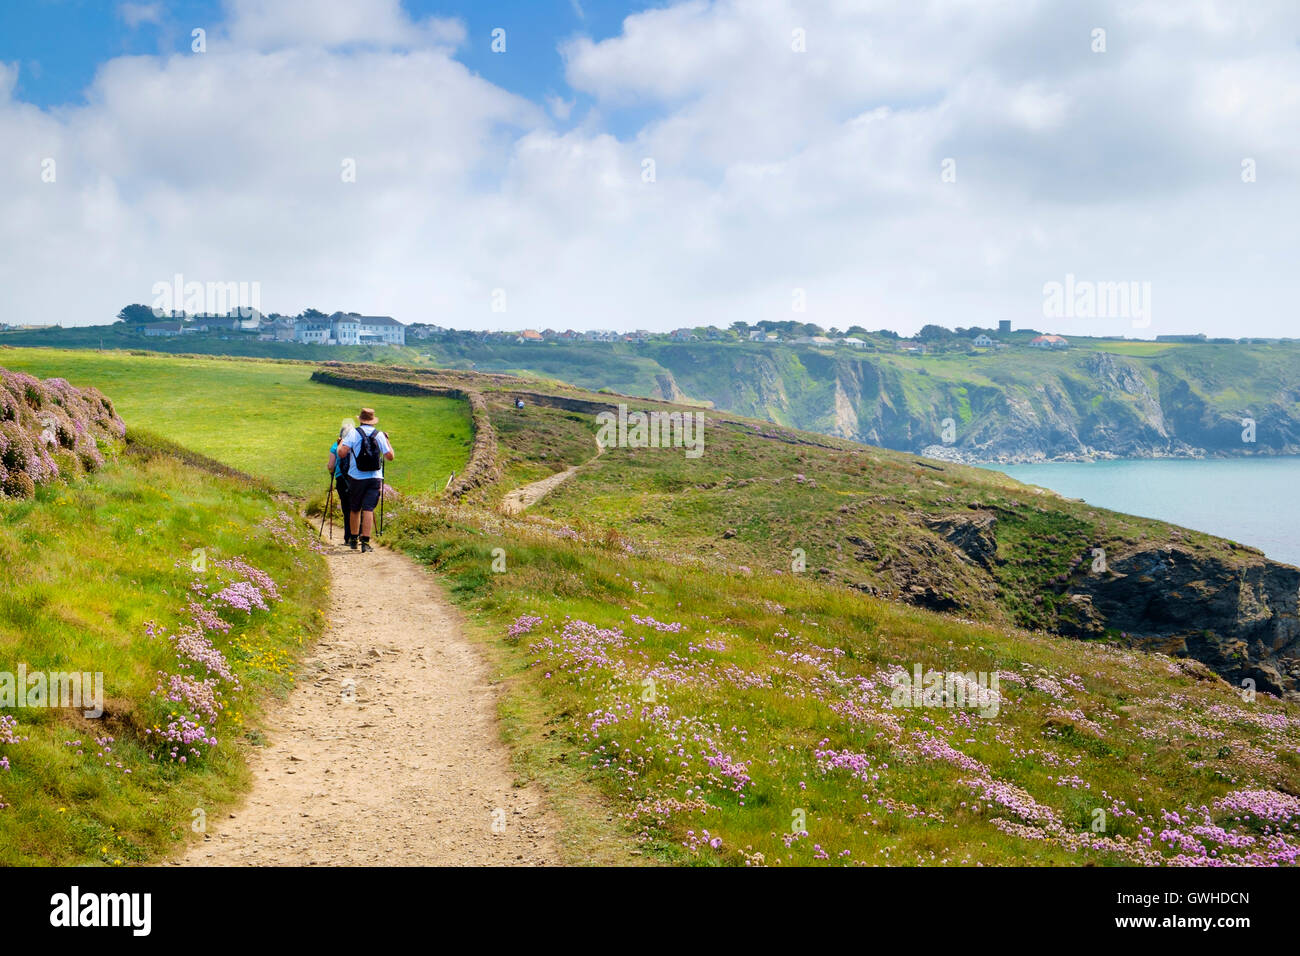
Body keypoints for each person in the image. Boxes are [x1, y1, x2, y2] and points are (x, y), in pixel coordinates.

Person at [337, 407, 394, 553]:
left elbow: (342, 454)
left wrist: (340, 445)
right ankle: (366, 543)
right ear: (373, 421)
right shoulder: (379, 435)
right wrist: (387, 441)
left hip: (356, 476)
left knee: (355, 508)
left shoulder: (353, 433)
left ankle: (354, 539)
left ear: (360, 420)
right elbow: (390, 456)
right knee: (369, 509)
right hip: (375, 477)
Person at [327, 423, 356, 546]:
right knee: (357, 506)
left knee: (346, 508)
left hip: (341, 480)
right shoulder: (356, 444)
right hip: (356, 478)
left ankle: (348, 537)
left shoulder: (335, 445)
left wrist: (331, 471)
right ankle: (358, 535)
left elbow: (330, 466)